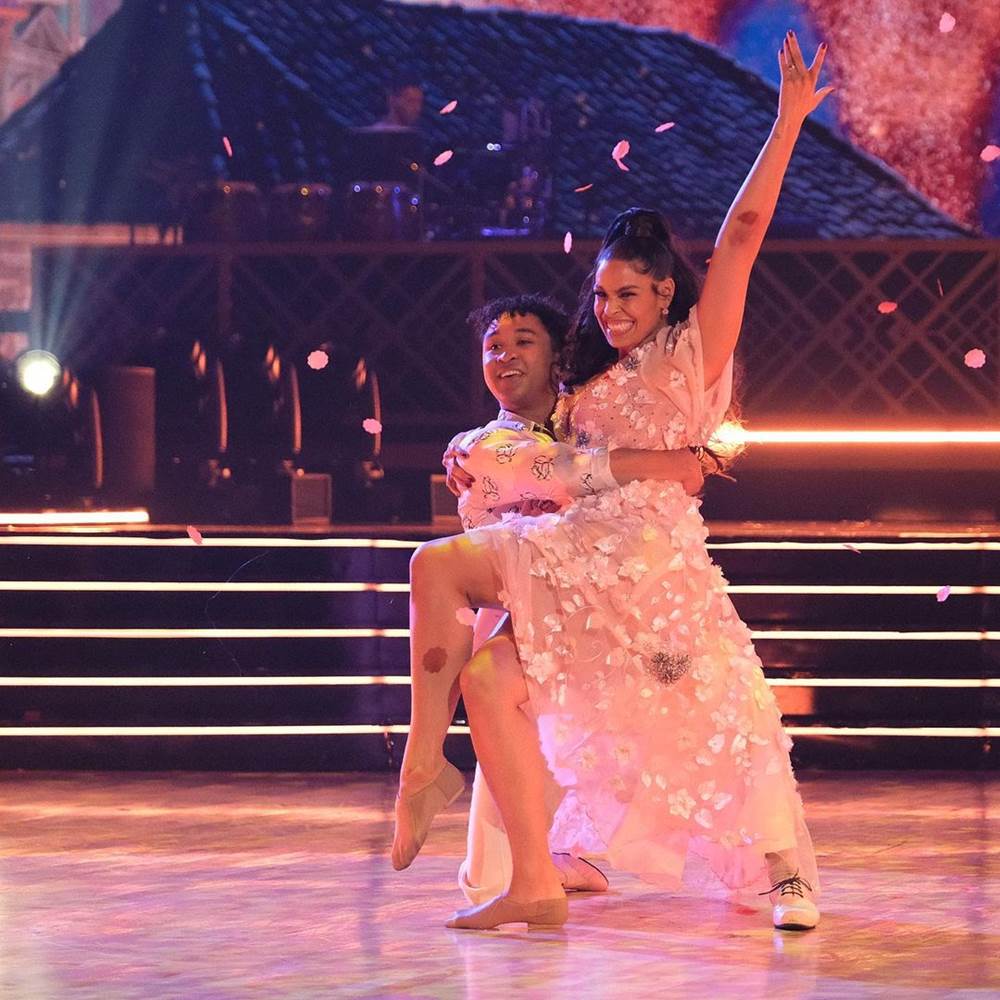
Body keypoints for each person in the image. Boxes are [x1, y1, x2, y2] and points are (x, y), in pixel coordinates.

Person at [395, 32, 831, 931]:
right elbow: (540, 459)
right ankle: (530, 877)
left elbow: (743, 236)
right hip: (576, 554)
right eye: (601, 295)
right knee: (483, 671)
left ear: (665, 293)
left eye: (628, 294)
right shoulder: (589, 383)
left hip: (649, 571)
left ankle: (780, 872)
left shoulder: (691, 355)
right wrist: (476, 454)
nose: (610, 309)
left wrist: (787, 122)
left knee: (717, 722)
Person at [432, 293, 706, 904]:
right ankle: (540, 860)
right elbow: (567, 473)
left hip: (605, 631)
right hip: (529, 638)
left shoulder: (596, 424)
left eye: (523, 342)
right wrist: (667, 464)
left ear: (558, 356)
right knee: (491, 870)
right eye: (493, 346)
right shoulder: (479, 447)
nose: (504, 356)